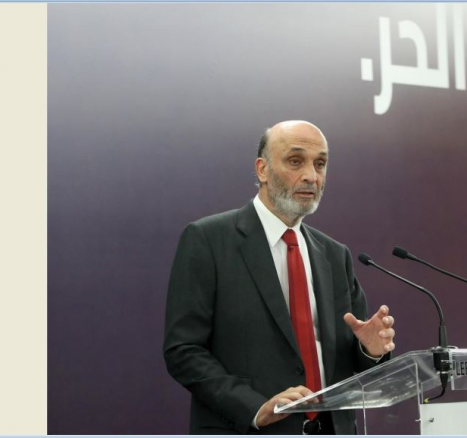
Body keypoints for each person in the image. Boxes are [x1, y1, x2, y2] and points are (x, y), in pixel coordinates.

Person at [163, 120, 396, 435]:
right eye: (295, 161)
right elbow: (184, 350)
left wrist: (370, 350)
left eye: (320, 164)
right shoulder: (208, 240)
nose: (311, 176)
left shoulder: (334, 255)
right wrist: (255, 408)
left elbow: (348, 362)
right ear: (262, 169)